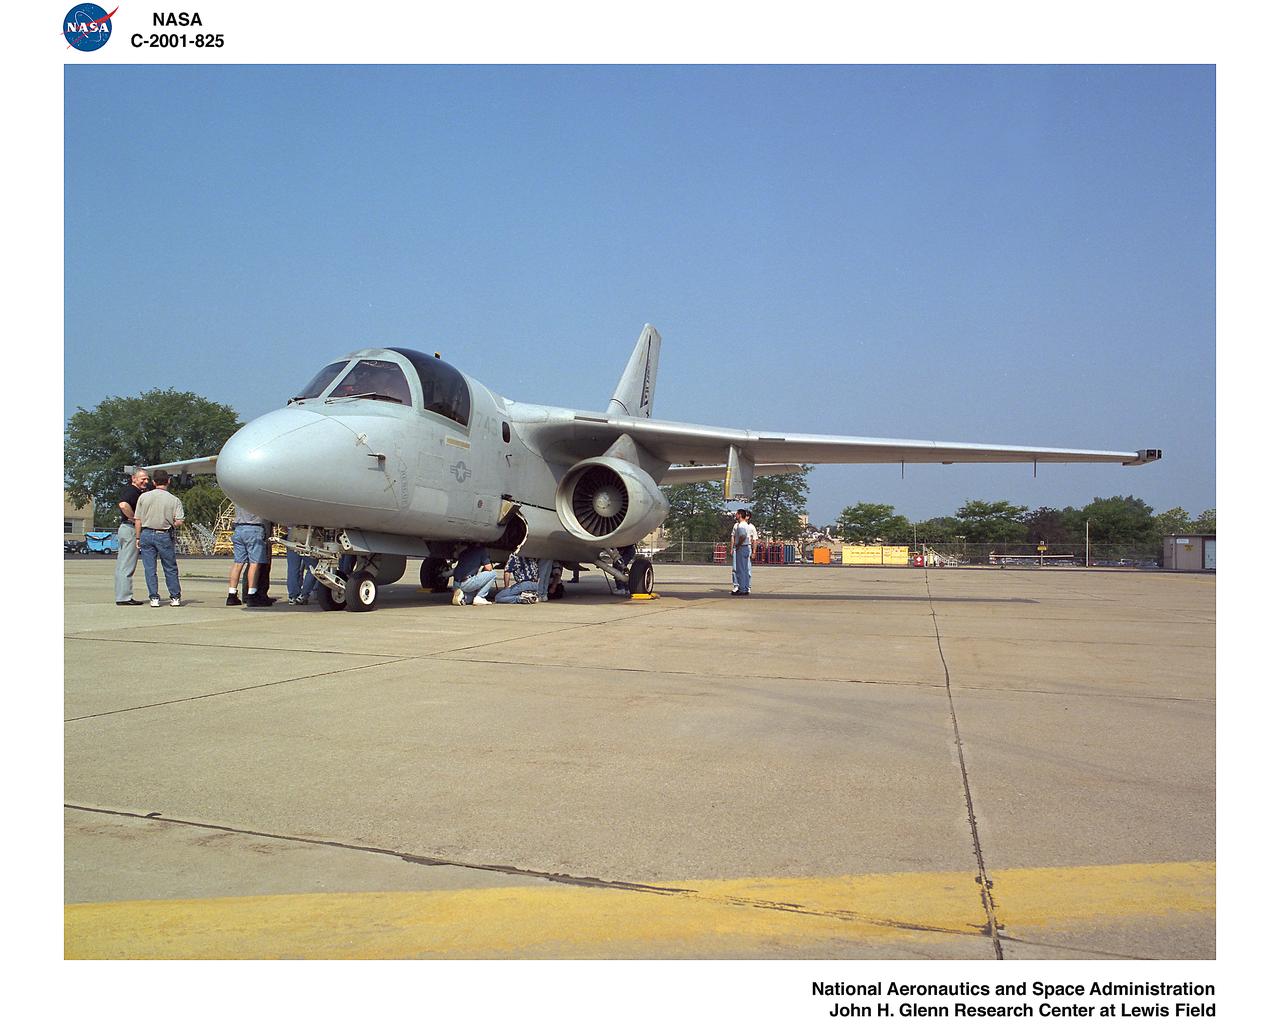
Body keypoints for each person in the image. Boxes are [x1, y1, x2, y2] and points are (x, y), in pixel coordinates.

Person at [133, 470, 185, 607]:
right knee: (170, 567)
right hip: (164, 534)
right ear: (168, 481)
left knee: (150, 568)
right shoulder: (174, 500)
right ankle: (175, 597)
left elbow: (137, 519)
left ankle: (154, 597)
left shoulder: (143, 497)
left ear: (154, 482)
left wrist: (137, 537)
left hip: (146, 533)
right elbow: (179, 521)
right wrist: (172, 522)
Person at [114, 467, 151, 605]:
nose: (146, 481)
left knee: (122, 564)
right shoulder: (132, 491)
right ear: (134, 479)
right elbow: (123, 505)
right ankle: (124, 597)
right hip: (129, 529)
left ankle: (121, 595)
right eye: (143, 479)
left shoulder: (136, 491)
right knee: (127, 565)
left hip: (124, 529)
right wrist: (134, 518)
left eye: (147, 479)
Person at [227, 504, 273, 607]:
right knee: (254, 563)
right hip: (254, 528)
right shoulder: (256, 498)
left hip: (239, 527)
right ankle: (252, 594)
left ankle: (231, 594)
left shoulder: (239, 497)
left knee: (238, 563)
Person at [285, 528, 318, 605]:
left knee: (293, 569)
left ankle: (292, 596)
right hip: (308, 536)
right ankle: (303, 594)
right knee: (313, 568)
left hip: (293, 535)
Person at [731, 508, 752, 596]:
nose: (736, 515)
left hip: (742, 547)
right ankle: (746, 587)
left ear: (740, 515)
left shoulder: (741, 525)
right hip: (746, 547)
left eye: (736, 514)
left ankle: (742, 589)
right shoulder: (746, 525)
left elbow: (743, 536)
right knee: (745, 569)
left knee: (741, 569)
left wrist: (738, 544)